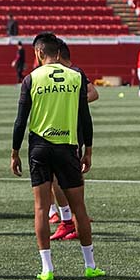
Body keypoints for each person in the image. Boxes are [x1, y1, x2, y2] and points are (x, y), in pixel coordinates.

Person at [11, 32, 104, 280]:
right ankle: (90, 265)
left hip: (39, 149)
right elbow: (86, 117)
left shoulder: (30, 79)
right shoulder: (75, 77)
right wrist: (89, 151)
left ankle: (47, 270)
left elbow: (20, 122)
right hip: (68, 148)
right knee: (80, 209)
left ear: (40, 53)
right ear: (59, 52)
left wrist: (14, 152)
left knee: (41, 209)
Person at [47, 40, 99, 241]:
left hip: (70, 133)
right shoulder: (62, 75)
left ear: (57, 55)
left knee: (58, 178)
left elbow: (94, 93)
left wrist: (72, 100)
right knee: (67, 176)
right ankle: (74, 217)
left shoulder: (75, 73)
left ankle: (69, 220)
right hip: (66, 132)